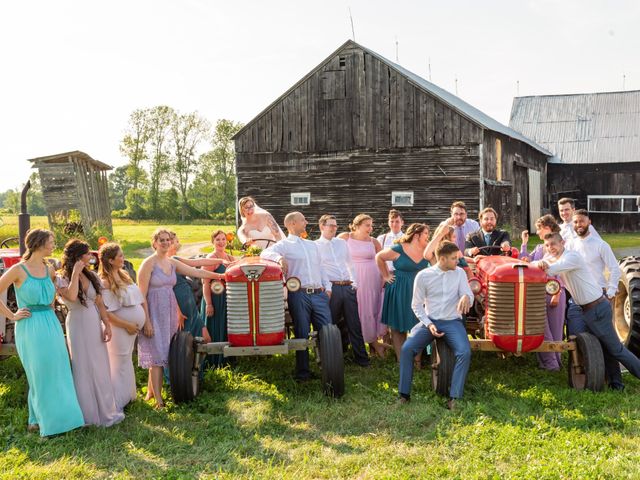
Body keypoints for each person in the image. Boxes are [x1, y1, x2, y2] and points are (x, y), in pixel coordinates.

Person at [0, 229, 84, 436]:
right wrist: (11, 315)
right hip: (29, 326)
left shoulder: (49, 270)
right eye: (51, 241)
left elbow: (57, 297)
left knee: (59, 369)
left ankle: (47, 420)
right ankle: (47, 422)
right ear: (39, 244)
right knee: (39, 373)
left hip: (51, 323)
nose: (53, 244)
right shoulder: (19, 270)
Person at [534, 233, 640, 390]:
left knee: (616, 350)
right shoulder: (558, 257)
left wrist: (543, 263)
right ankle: (616, 385)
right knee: (606, 347)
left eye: (553, 244)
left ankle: (620, 381)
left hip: (597, 308)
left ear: (562, 242)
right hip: (587, 309)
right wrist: (540, 261)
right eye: (547, 245)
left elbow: (551, 269)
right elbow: (541, 262)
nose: (550, 248)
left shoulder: (571, 257)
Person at [137, 228, 222, 409]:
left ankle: (151, 393)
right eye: (162, 240)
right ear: (154, 243)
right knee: (157, 358)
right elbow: (141, 295)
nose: (166, 243)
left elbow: (196, 271)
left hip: (170, 313)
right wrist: (147, 321)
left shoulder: (171, 263)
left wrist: (220, 276)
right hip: (154, 313)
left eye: (168, 240)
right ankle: (159, 402)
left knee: (166, 352)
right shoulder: (148, 264)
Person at [57, 239, 124, 427]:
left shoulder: (91, 274)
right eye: (87, 253)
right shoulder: (61, 278)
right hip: (77, 323)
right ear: (78, 257)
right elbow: (71, 297)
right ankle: (87, 414)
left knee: (99, 364)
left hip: (94, 322)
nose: (90, 256)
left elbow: (100, 302)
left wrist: (107, 324)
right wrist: (76, 273)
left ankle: (106, 410)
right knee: (83, 366)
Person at [399, 241, 473, 410]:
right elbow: (416, 305)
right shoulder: (423, 276)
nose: (458, 261)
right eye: (454, 258)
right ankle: (404, 395)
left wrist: (467, 297)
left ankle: (454, 397)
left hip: (452, 321)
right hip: (430, 321)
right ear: (442, 259)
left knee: (465, 352)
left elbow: (467, 293)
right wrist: (429, 324)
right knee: (407, 349)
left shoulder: (460, 273)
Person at [261, 212, 332, 381]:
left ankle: (330, 369)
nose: (306, 222)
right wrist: (279, 258)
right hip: (299, 295)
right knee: (301, 333)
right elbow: (264, 254)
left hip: (319, 294)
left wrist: (328, 288)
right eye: (303, 220)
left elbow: (320, 266)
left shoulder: (312, 245)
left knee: (329, 331)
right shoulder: (284, 245)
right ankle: (303, 373)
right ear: (292, 224)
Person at [564, 210, 621, 387]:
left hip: (598, 299)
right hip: (576, 301)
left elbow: (614, 268)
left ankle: (615, 381)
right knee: (574, 339)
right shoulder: (570, 245)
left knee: (605, 340)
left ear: (589, 221)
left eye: (581, 221)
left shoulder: (600, 245)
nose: (578, 225)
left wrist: (611, 291)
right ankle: (579, 379)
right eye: (575, 222)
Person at [98, 242, 152, 410]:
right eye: (120, 256)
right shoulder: (105, 282)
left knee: (127, 359)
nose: (123, 258)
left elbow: (140, 299)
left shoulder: (124, 275)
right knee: (118, 361)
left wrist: (144, 320)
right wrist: (127, 324)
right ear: (110, 260)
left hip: (131, 328)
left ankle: (129, 396)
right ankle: (116, 402)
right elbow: (106, 313)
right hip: (119, 327)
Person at [316, 214, 369, 367]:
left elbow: (350, 263)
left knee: (354, 324)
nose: (334, 228)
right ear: (322, 227)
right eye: (330, 225)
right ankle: (328, 360)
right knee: (329, 325)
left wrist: (355, 283)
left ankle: (362, 359)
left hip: (347, 286)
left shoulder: (341, 243)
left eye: (335, 225)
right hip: (331, 289)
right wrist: (326, 287)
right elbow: (317, 268)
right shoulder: (315, 246)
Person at [377, 223, 431, 361]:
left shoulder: (427, 250)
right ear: (416, 235)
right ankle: (402, 360)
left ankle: (417, 360)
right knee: (398, 326)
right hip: (399, 289)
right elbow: (379, 257)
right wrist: (386, 276)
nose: (428, 236)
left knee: (418, 325)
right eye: (425, 233)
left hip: (419, 290)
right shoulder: (399, 249)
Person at [520, 215, 565, 371]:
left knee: (556, 329)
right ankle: (547, 363)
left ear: (548, 227)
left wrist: (557, 294)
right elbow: (523, 262)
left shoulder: (559, 246)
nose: (537, 231)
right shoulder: (540, 248)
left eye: (539, 228)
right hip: (537, 292)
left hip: (554, 291)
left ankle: (554, 364)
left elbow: (563, 270)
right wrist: (524, 245)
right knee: (541, 327)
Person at [338, 214, 387, 357]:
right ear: (357, 225)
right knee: (356, 310)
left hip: (372, 279)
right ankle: (358, 345)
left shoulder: (374, 241)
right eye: (367, 225)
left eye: (371, 225)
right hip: (353, 278)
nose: (370, 228)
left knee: (371, 309)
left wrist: (384, 276)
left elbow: (383, 260)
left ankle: (373, 343)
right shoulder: (345, 237)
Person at [167, 231, 225, 341]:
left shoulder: (175, 259)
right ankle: (184, 357)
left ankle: (200, 358)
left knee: (206, 338)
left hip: (189, 302)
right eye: (176, 241)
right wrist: (177, 312)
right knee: (185, 339)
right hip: (180, 304)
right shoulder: (166, 263)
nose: (178, 243)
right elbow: (168, 290)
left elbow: (197, 262)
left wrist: (221, 260)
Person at [201, 230, 236, 368]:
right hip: (215, 298)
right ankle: (214, 361)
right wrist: (209, 304)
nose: (221, 242)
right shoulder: (211, 258)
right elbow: (205, 283)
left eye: (223, 239)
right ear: (213, 242)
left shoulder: (230, 257)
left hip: (228, 298)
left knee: (227, 326)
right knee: (216, 326)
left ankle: (227, 359)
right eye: (218, 240)